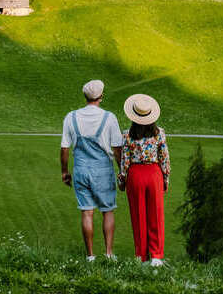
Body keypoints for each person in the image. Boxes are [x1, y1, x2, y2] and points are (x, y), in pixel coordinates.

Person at [60, 79, 123, 260]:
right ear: (101, 96)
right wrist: (122, 172)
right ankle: (109, 254)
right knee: (107, 210)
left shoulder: (71, 117)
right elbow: (117, 148)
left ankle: (90, 256)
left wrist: (64, 171)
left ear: (85, 96)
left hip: (81, 168)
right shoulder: (109, 117)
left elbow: (64, 148)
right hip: (103, 169)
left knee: (87, 212)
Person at [118, 93, 170, 266]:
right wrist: (165, 179)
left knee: (138, 215)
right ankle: (156, 255)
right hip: (154, 173)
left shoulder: (127, 135)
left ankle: (141, 255)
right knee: (156, 214)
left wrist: (122, 181)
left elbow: (125, 160)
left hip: (135, 175)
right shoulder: (159, 133)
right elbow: (164, 158)